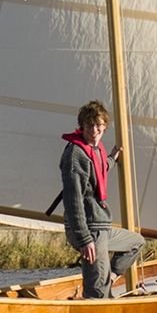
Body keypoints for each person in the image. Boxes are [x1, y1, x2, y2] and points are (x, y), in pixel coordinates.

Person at [59, 100, 144, 299]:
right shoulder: (75, 154)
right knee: (97, 293)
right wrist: (84, 239)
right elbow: (73, 202)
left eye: (99, 125)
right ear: (82, 127)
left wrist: (113, 158)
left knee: (136, 242)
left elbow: (100, 169)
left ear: (105, 126)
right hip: (89, 231)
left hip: (101, 228)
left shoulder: (95, 150)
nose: (95, 130)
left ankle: (111, 276)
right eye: (90, 125)